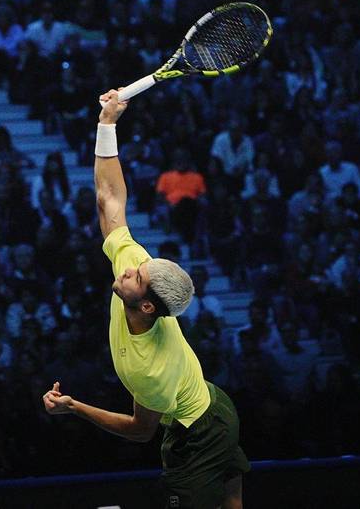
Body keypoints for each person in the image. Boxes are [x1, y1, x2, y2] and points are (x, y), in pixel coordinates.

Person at [42, 89, 249, 509]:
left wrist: (75, 407)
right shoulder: (136, 268)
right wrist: (107, 124)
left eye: (137, 276)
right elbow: (109, 198)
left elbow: (140, 430)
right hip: (211, 403)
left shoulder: (151, 370)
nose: (128, 269)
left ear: (148, 306)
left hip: (199, 432)